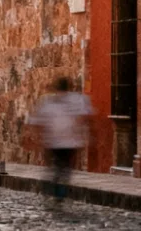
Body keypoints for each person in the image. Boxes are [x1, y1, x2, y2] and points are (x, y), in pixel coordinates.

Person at [26, 77, 93, 206]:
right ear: (69, 86)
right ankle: (58, 193)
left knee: (57, 166)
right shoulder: (78, 99)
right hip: (68, 141)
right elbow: (84, 118)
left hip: (54, 142)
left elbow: (37, 122)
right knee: (65, 168)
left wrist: (39, 138)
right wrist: (85, 134)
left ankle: (53, 190)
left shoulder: (47, 101)